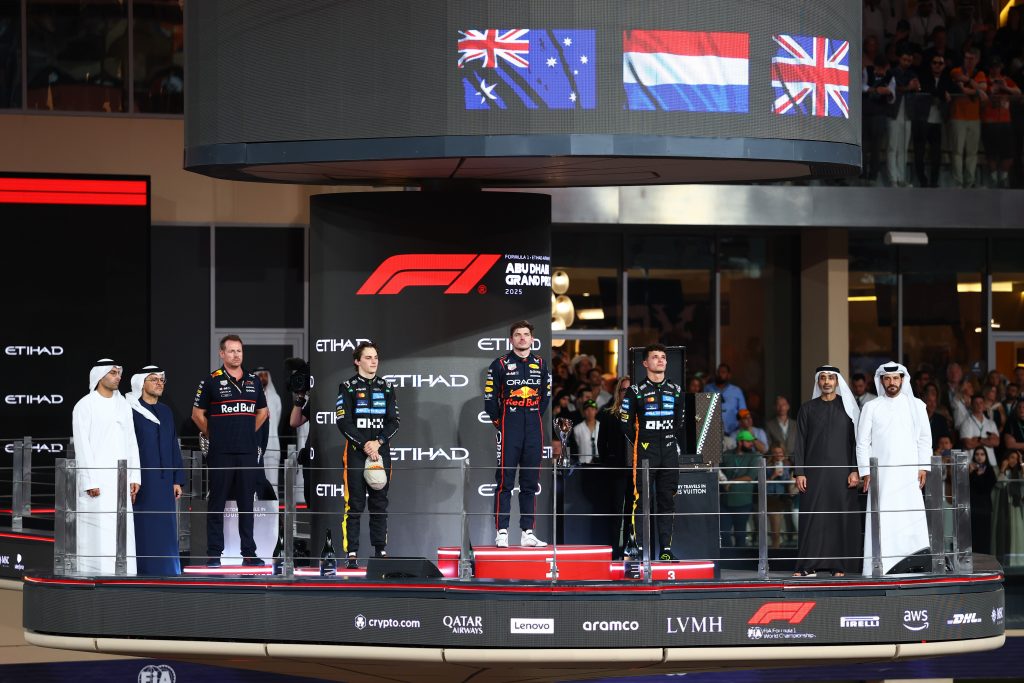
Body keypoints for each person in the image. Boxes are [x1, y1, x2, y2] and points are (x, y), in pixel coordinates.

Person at [192, 335, 268, 567]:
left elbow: (263, 413)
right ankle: (214, 553)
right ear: (221, 354)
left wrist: (246, 432)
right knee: (217, 502)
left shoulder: (254, 381)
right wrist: (216, 435)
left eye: (239, 351)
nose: (236, 355)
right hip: (221, 452)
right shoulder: (211, 381)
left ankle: (249, 553)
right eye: (231, 351)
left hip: (246, 452)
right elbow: (196, 415)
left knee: (247, 502)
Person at [857, 362, 931, 575]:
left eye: (896, 378)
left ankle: (915, 564)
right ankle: (879, 568)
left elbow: (925, 439)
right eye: (887, 379)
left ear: (902, 380)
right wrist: (865, 472)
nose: (892, 383)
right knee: (883, 517)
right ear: (881, 380)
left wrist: (923, 467)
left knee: (910, 516)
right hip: (882, 475)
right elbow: (862, 442)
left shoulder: (916, 406)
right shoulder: (871, 407)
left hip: (910, 475)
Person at [71, 359, 142, 575]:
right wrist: (89, 480)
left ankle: (125, 574)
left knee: (123, 530)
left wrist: (135, 477)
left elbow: (131, 441)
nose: (117, 377)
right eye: (112, 373)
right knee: (96, 533)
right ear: (100, 376)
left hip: (121, 481)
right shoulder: (85, 405)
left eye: (119, 372)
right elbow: (82, 447)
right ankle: (94, 574)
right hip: (97, 482)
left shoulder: (123, 405)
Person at [791, 365, 862, 577]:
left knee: (838, 518)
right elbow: (800, 443)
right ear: (818, 382)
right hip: (813, 474)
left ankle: (839, 566)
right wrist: (799, 472)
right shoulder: (807, 409)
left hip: (842, 474)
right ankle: (807, 566)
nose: (827, 382)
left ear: (837, 381)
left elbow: (856, 442)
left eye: (831, 378)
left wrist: (854, 470)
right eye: (823, 378)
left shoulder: (848, 408)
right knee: (813, 517)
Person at [485, 321, 550, 548]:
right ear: (511, 340)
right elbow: (490, 400)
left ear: (532, 339)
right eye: (517, 335)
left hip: (533, 425)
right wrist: (501, 423)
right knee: (504, 481)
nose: (522, 338)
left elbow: (545, 397)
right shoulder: (500, 364)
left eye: (526, 335)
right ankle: (502, 531)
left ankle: (527, 532)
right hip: (509, 425)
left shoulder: (541, 364)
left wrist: (531, 413)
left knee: (530, 481)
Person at [336, 342, 399, 568]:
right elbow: (343, 421)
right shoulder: (347, 387)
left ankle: (380, 551)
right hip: (355, 452)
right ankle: (351, 554)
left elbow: (394, 421)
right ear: (357, 361)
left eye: (376, 357)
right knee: (353, 504)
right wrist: (365, 444)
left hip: (380, 453)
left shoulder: (387, 387)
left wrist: (378, 442)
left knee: (379, 503)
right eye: (369, 357)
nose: (374, 361)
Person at [620, 344, 684, 561]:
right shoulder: (635, 391)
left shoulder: (676, 390)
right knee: (641, 499)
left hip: (668, 451)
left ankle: (665, 549)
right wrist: (643, 442)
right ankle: (637, 547)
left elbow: (678, 422)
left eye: (663, 357)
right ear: (645, 363)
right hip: (645, 452)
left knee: (667, 499)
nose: (660, 360)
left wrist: (665, 438)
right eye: (655, 357)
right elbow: (625, 424)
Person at [127, 365, 184, 576]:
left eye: (162, 379)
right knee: (144, 526)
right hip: (142, 481)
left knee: (166, 527)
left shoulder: (166, 411)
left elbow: (172, 445)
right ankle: (143, 571)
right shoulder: (130, 409)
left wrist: (177, 478)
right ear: (142, 383)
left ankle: (169, 571)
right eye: (154, 379)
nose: (160, 383)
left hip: (165, 480)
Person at [597, 376, 631, 559]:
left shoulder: (640, 414)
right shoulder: (609, 414)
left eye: (630, 389)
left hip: (635, 471)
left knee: (631, 514)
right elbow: (601, 444)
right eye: (624, 389)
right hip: (616, 469)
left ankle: (628, 550)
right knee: (616, 512)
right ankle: (613, 551)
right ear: (618, 392)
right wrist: (608, 462)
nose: (627, 393)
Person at [720, 431, 760, 548]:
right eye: (748, 442)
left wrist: (730, 482)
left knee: (740, 533)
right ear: (740, 442)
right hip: (725, 502)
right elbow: (718, 470)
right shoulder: (727, 454)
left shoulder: (755, 457)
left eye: (752, 441)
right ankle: (727, 558)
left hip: (743, 501)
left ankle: (739, 560)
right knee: (724, 533)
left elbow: (749, 477)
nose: (751, 444)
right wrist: (722, 481)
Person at [992, 449, 1024, 567]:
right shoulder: (1003, 471)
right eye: (1011, 457)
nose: (1014, 460)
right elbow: (1000, 484)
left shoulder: (1019, 472)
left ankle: (1019, 561)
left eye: (1016, 458)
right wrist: (1003, 468)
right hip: (1005, 508)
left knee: (1018, 531)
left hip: (1017, 508)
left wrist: (1022, 462)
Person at [254, 366, 282, 491]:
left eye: (265, 375)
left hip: (272, 442)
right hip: (255, 442)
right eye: (260, 375)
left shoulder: (275, 399)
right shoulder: (251, 397)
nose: (262, 378)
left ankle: (273, 507)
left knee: (272, 477)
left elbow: (277, 420)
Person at [968, 445, 996, 555]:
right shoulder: (970, 469)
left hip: (984, 508)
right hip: (973, 507)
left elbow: (987, 487)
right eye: (977, 454)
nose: (979, 457)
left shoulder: (989, 470)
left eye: (982, 454)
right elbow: (965, 486)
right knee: (974, 534)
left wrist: (979, 476)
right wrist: (970, 473)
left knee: (984, 534)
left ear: (986, 456)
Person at [705, 363, 747, 435]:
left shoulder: (736, 391)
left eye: (723, 372)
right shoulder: (708, 388)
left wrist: (744, 428)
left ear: (729, 375)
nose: (720, 374)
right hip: (712, 432)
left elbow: (743, 411)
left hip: (733, 432)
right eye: (718, 372)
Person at [959, 394, 999, 466]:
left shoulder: (991, 423)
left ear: (984, 405)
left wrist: (978, 439)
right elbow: (968, 444)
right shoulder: (966, 423)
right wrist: (987, 440)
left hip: (991, 462)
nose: (979, 405)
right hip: (972, 464)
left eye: (981, 402)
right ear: (971, 405)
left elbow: (996, 442)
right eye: (976, 403)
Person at [765, 444, 793, 549]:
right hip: (770, 498)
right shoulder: (767, 465)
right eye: (776, 452)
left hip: (782, 498)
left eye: (780, 452)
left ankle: (775, 551)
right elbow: (762, 483)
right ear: (772, 454)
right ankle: (773, 552)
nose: (778, 455)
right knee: (774, 531)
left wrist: (783, 465)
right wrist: (774, 475)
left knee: (777, 531)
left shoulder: (787, 465)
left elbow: (786, 481)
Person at [571, 399, 601, 463]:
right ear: (583, 412)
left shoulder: (602, 427)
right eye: (587, 410)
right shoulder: (577, 429)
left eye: (592, 409)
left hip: (599, 464)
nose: (590, 412)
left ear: (596, 411)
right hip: (583, 464)